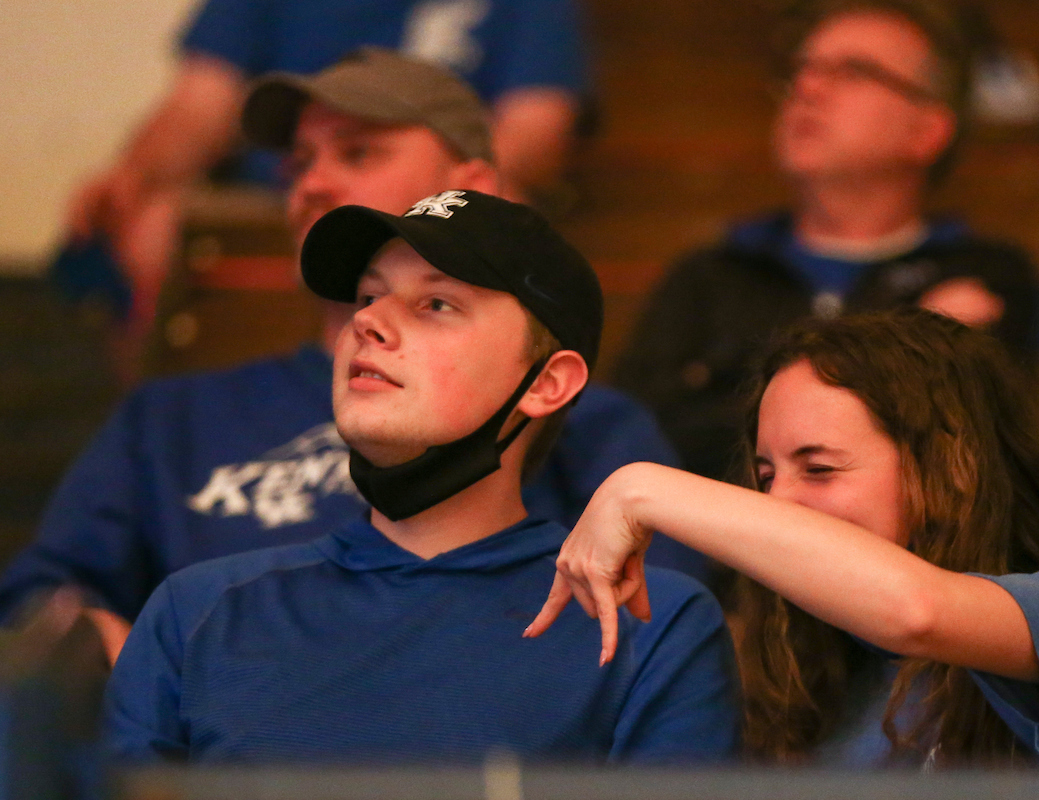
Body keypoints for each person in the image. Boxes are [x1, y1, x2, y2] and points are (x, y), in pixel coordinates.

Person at [0, 50, 699, 664]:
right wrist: (159, 686)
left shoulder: (585, 424)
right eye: (299, 163)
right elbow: (45, 607)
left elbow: (654, 627)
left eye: (359, 153)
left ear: (473, 185)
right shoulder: (170, 417)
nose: (313, 184)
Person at [103, 192, 738, 763]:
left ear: (547, 383)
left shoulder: (648, 624)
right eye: (368, 297)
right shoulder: (195, 611)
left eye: (436, 303)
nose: (366, 324)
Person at [529, 309, 1039, 769]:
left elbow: (917, 610)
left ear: (954, 470)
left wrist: (641, 487)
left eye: (819, 469)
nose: (779, 502)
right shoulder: (810, 674)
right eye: (765, 474)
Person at [611, 0, 1039, 482]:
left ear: (928, 131)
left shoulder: (985, 271)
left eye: (854, 71)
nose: (807, 88)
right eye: (802, 70)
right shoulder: (712, 272)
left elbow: (962, 455)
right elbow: (634, 435)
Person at [66, 0, 587, 357]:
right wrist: (135, 175)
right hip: (265, 191)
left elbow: (536, 128)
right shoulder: (305, 176)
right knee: (153, 219)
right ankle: (163, 436)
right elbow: (200, 102)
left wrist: (433, 181)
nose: (318, 182)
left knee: (495, 211)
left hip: (440, 184)